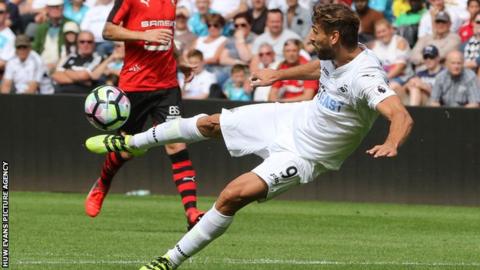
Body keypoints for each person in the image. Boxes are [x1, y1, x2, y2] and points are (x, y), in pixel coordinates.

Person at [84, 4, 413, 270]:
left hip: (306, 156)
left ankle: (169, 261)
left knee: (231, 196)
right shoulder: (338, 54)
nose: (310, 37)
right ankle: (129, 142)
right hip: (291, 117)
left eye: (315, 32)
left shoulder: (366, 75)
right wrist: (279, 75)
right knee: (210, 123)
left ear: (335, 36)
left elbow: (400, 114)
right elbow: (320, 69)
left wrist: (392, 142)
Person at [85, 0, 205, 229]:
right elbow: (108, 30)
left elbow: (167, 37)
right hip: (135, 87)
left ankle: (191, 212)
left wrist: (180, 61)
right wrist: (144, 34)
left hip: (167, 87)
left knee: (176, 144)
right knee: (128, 150)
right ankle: (102, 184)